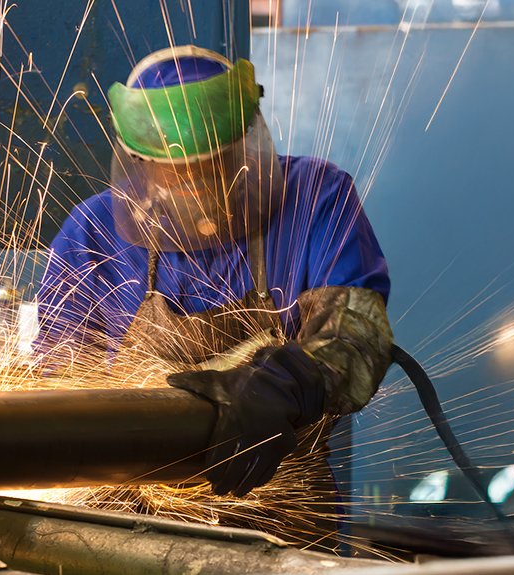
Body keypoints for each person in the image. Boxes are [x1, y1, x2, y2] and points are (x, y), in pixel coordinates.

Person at [33, 45, 393, 539]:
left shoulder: (314, 196)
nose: (195, 186)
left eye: (211, 167)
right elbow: (59, 390)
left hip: (283, 520)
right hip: (128, 525)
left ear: (243, 143)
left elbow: (358, 335)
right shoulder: (92, 233)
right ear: (140, 159)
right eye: (175, 172)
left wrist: (290, 380)